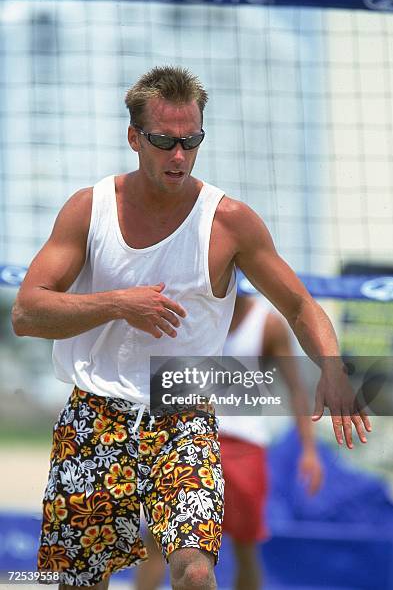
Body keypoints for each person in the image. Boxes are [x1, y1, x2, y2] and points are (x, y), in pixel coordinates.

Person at [12, 65, 371, 590]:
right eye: (164, 141)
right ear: (135, 138)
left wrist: (334, 369)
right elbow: (26, 314)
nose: (179, 156)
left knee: (197, 571)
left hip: (185, 416)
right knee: (78, 580)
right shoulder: (90, 210)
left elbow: (298, 304)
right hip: (95, 411)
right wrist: (115, 304)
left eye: (191, 141)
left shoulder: (229, 221)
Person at [134, 288, 324, 590]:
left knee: (244, 546)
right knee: (158, 541)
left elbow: (296, 390)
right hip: (188, 438)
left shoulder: (267, 323)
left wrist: (310, 451)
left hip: (244, 446)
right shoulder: (188, 309)